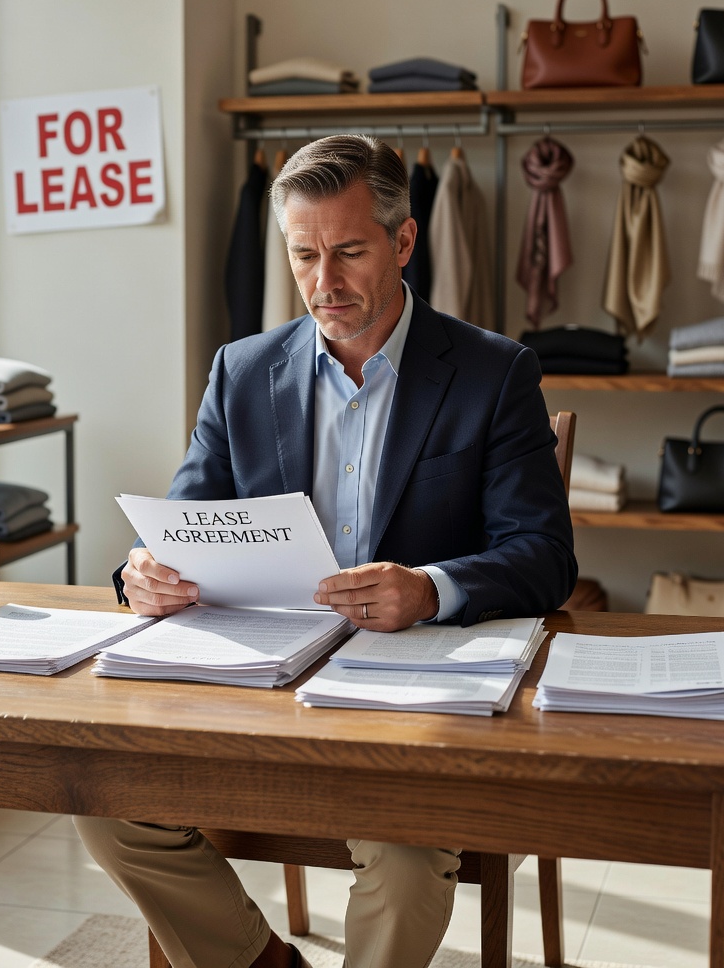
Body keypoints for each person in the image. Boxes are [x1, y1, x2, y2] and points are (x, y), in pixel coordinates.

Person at [76, 134, 577, 968]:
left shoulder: (494, 372)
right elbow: (179, 520)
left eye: (347, 252)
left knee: (406, 865)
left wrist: (429, 587)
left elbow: (546, 554)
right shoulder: (242, 371)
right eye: (304, 255)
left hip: (412, 705)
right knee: (107, 806)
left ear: (404, 241)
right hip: (260, 694)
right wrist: (144, 572)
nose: (323, 283)